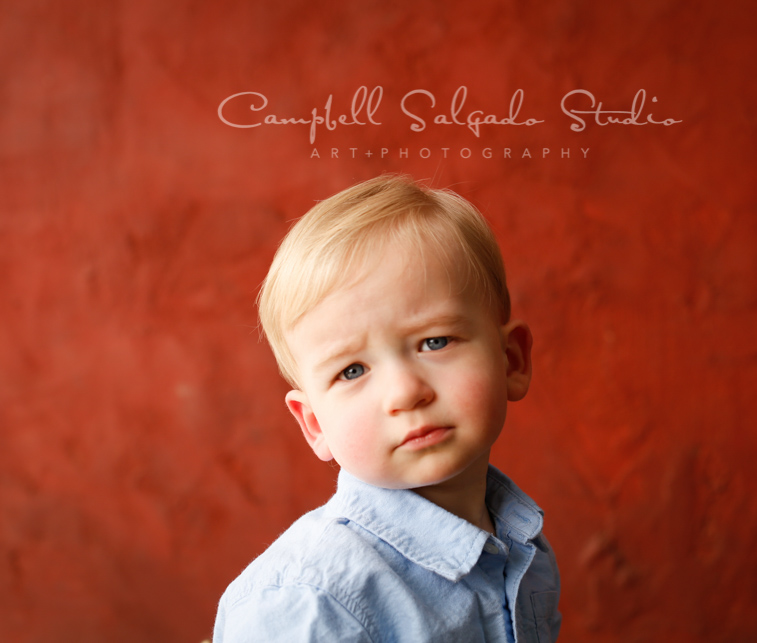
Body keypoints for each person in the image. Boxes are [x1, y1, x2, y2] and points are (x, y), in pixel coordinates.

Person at [212, 174, 562, 642]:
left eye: (434, 342)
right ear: (315, 425)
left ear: (511, 361)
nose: (404, 393)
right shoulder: (310, 602)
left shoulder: (521, 543)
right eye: (352, 371)